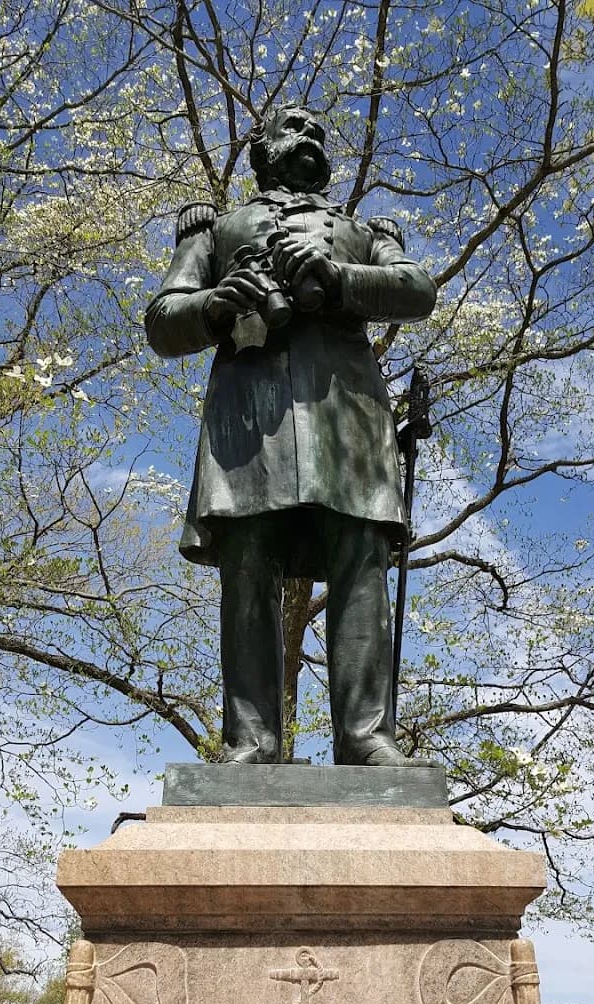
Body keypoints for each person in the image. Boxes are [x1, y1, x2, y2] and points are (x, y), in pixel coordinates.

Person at [145, 104, 437, 765]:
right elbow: (164, 319)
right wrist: (220, 303)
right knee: (247, 566)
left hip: (347, 419)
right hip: (251, 419)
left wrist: (338, 278)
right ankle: (250, 739)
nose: (310, 141)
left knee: (360, 564)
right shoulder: (220, 229)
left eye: (318, 134)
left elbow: (418, 290)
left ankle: (366, 739)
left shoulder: (362, 232)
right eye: (294, 130)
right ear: (261, 151)